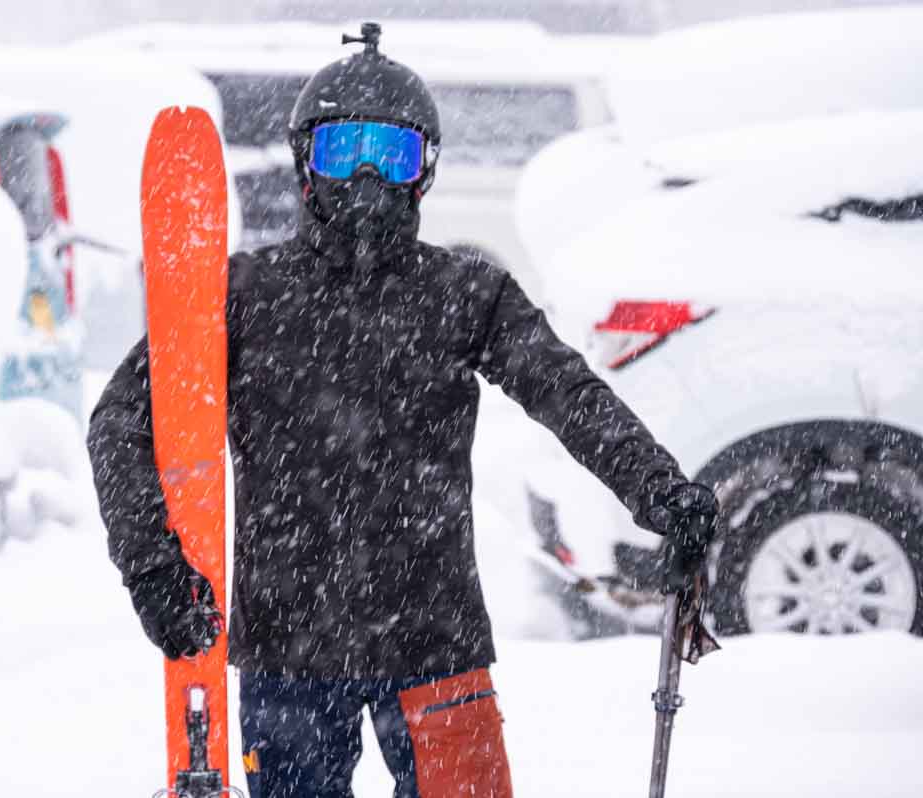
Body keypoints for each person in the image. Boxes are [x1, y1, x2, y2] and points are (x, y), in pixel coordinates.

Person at [88, 22, 718, 798]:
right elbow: (118, 424)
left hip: (434, 643)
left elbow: (569, 395)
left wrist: (658, 488)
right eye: (340, 151)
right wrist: (153, 567)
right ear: (304, 165)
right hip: (289, 650)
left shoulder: (464, 294)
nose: (364, 178)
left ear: (423, 173)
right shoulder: (240, 296)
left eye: (390, 156)